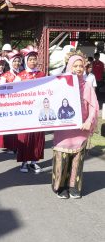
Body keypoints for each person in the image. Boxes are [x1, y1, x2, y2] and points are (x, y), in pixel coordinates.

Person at [52, 52, 99, 199]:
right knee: (62, 158)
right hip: (63, 130)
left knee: (77, 161)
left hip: (81, 129)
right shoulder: (60, 84)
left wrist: (88, 122)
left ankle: (73, 186)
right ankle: (61, 187)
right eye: (75, 65)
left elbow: (94, 107)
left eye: (81, 66)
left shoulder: (87, 86)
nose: (79, 68)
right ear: (69, 66)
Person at [17, 46, 46, 173]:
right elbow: (15, 93)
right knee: (24, 137)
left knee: (37, 137)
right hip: (24, 111)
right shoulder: (20, 76)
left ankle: (34, 161)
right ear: (26, 60)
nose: (33, 61)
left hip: (38, 111)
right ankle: (24, 161)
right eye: (31, 59)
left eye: (35, 59)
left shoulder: (42, 75)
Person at [0, 50, 23, 154]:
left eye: (18, 61)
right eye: (14, 61)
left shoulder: (23, 74)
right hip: (8, 104)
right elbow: (0, 89)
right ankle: (11, 146)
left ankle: (18, 145)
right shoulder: (5, 76)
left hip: (20, 103)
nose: (16, 63)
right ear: (11, 62)